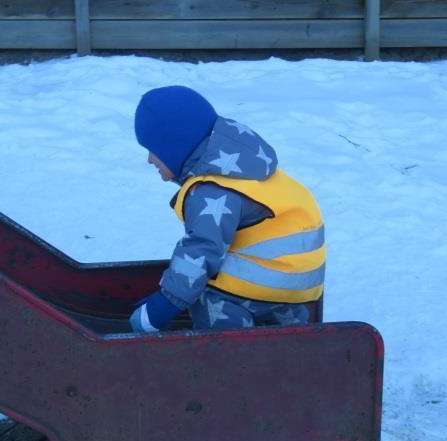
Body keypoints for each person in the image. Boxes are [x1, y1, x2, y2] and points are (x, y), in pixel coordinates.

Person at [129, 86, 325, 333]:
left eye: (153, 151)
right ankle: (291, 336)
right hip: (295, 284)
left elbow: (201, 251)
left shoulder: (211, 190)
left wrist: (163, 306)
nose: (149, 160)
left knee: (205, 293)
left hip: (265, 283)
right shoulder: (244, 165)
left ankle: (230, 350)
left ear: (174, 147)